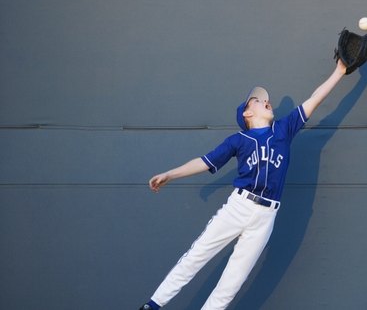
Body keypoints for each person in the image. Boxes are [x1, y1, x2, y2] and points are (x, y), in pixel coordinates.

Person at [140, 59, 349, 310]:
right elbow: (205, 162)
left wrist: (339, 72)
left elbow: (315, 99)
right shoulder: (239, 140)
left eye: (264, 99)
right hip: (239, 206)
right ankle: (152, 305)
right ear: (247, 113)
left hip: (266, 216)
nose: (265, 101)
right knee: (196, 256)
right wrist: (171, 174)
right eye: (257, 100)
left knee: (231, 283)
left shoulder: (283, 130)